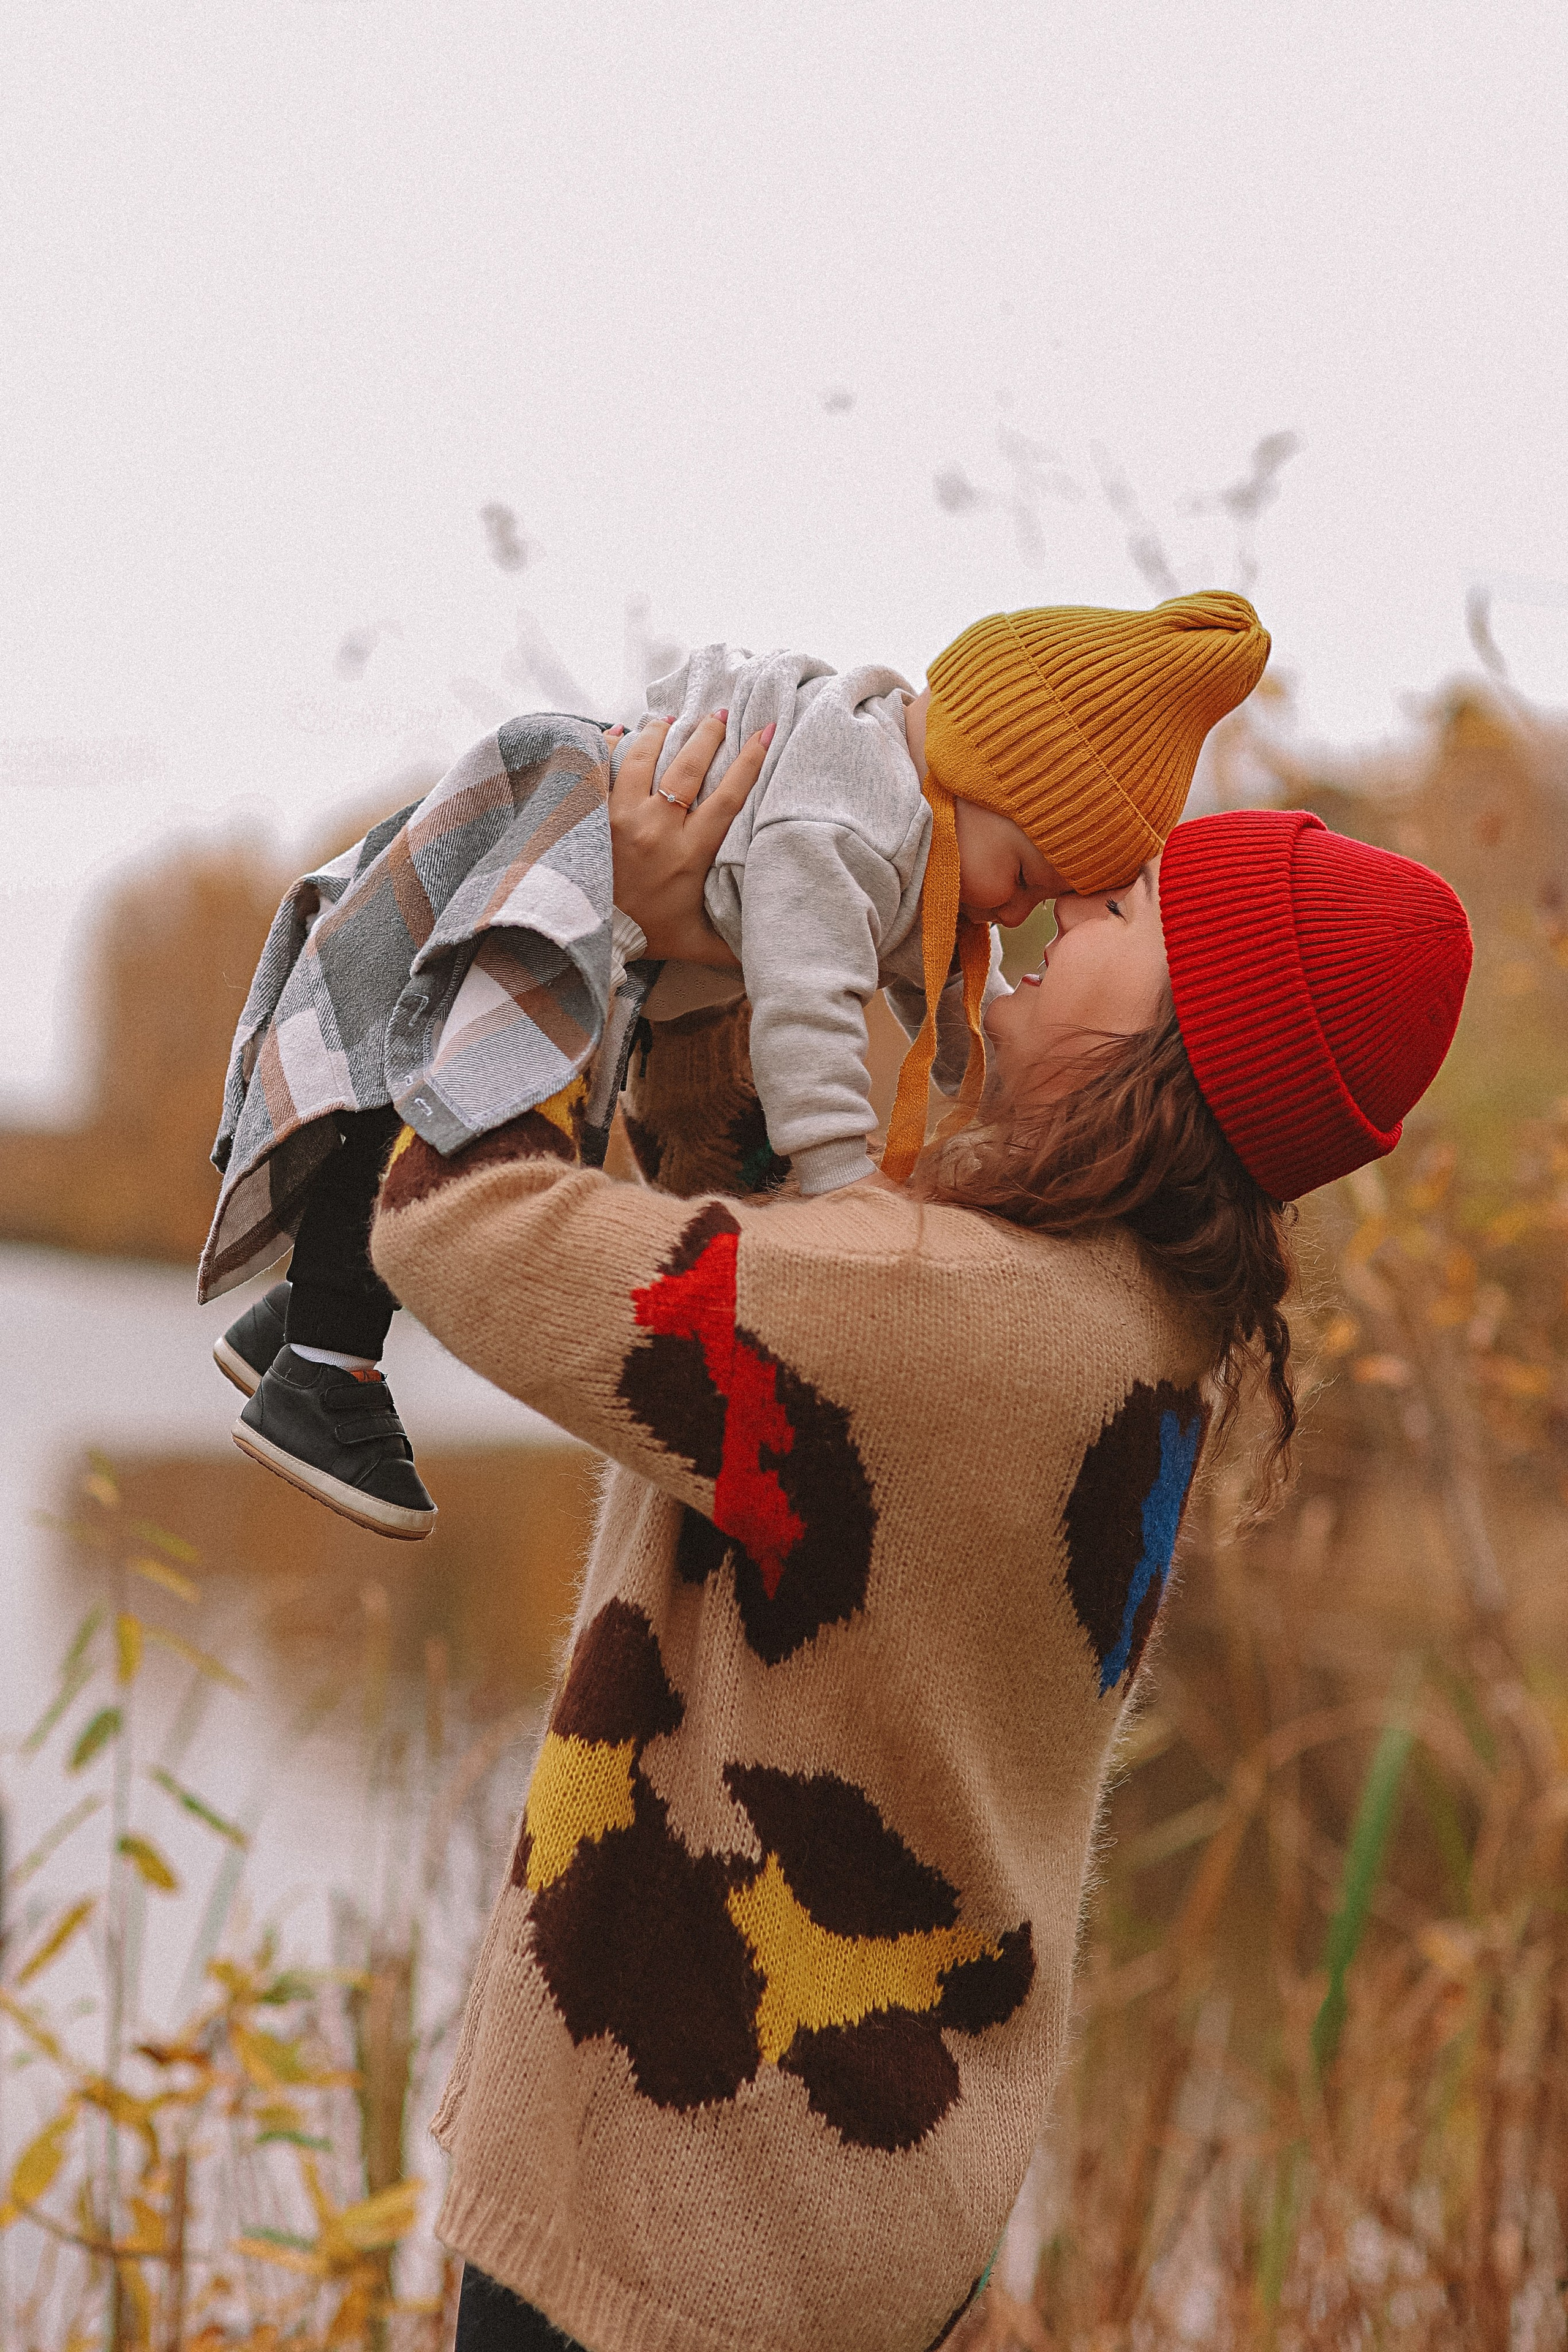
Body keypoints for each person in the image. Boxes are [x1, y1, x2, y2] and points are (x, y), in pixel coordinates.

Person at [366, 790, 1472, 2352]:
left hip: (684, 2227)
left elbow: (455, 1224)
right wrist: (714, 978)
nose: (1078, 898)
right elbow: (764, 1268)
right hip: (843, 2207)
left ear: (1185, 1049)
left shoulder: (951, 1324)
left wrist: (569, 905)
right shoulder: (1125, 1327)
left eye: (1133, 912)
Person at [202, 593, 1270, 1541]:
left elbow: (930, 984)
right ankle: (324, 1354)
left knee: (457, 1064)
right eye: (1035, 876)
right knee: (477, 1062)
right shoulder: (852, 821)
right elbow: (809, 1004)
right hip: (565, 815)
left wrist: (966, 1071)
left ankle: (316, 1322)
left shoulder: (928, 840)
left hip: (610, 842)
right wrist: (840, 1177)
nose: (1025, 915)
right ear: (987, 777)